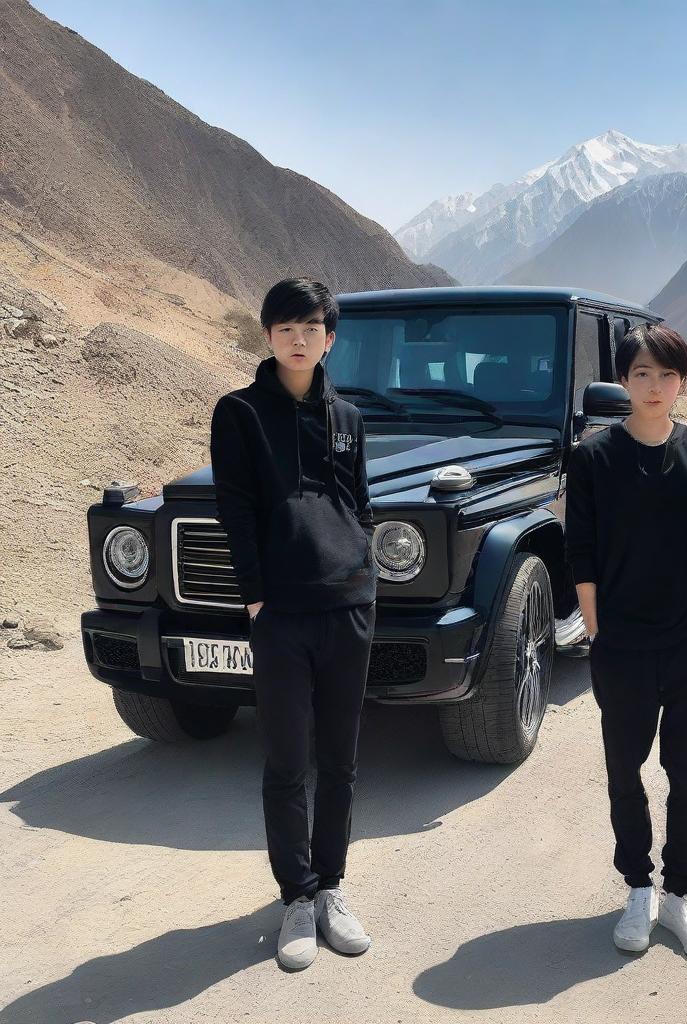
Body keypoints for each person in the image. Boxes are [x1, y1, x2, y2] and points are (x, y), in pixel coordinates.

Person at [210, 278, 377, 970]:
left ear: (329, 337)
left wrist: (364, 569)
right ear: (269, 335)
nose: (298, 338)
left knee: (340, 761)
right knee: (286, 762)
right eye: (285, 326)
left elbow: (360, 503)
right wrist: (255, 599)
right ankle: (296, 899)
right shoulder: (240, 412)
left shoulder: (349, 416)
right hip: (281, 614)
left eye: (311, 327)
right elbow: (236, 510)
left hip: (349, 607)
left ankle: (332, 887)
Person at [565, 323, 687, 961]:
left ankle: (682, 896)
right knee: (624, 770)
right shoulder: (594, 458)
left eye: (666, 375)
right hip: (622, 644)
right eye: (641, 373)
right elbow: (581, 552)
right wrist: (597, 626)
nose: (654, 386)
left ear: (682, 381)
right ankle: (639, 889)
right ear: (623, 380)